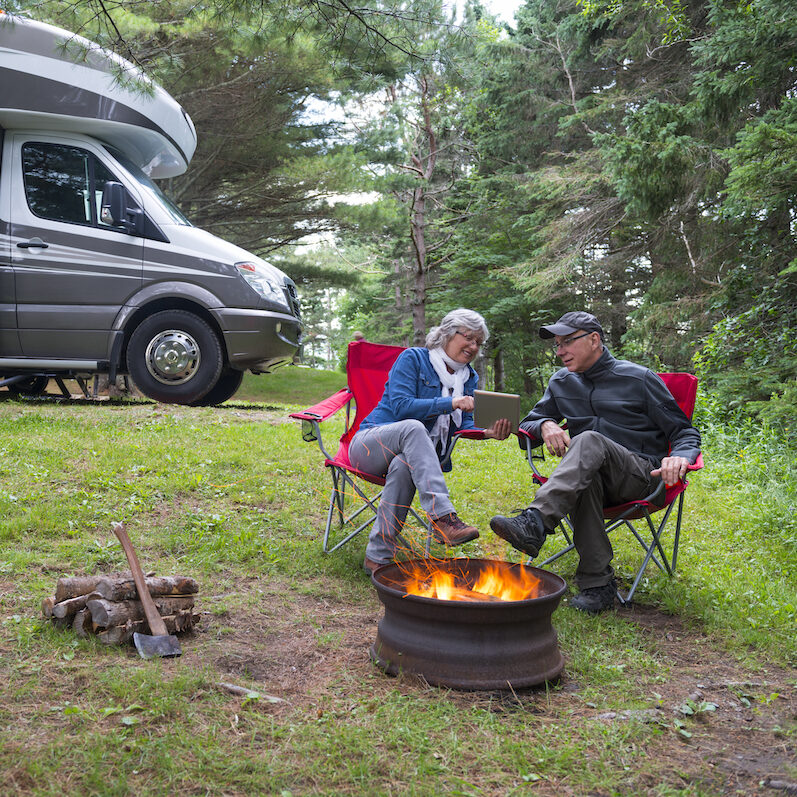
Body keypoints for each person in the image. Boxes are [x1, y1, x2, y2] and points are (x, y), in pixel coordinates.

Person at [489, 311, 701, 613]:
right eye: (557, 345)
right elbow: (530, 424)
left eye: (567, 342)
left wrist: (679, 457)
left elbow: (684, 432)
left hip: (641, 477)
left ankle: (535, 522)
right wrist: (547, 423)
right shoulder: (561, 382)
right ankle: (597, 586)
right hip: (587, 477)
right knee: (584, 476)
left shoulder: (638, 378)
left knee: (587, 439)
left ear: (594, 340)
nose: (560, 351)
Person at [350, 309, 512, 575]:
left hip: (410, 458)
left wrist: (488, 432)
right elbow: (401, 406)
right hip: (370, 445)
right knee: (415, 428)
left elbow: (465, 424)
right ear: (447, 334)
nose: (473, 346)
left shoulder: (468, 377)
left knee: (404, 465)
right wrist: (451, 402)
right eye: (468, 338)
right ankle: (442, 518)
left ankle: (377, 557)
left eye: (478, 342)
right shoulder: (413, 358)